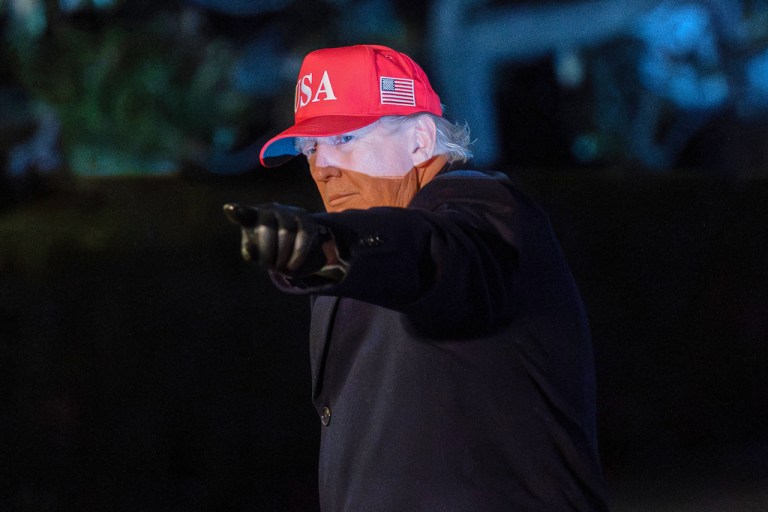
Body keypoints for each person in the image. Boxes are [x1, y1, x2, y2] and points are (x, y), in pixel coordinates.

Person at [224, 44, 609, 511]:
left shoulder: (488, 212)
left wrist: (325, 246)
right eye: (310, 148)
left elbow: (431, 252)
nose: (322, 166)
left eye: (344, 138)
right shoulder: (356, 249)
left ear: (420, 141)